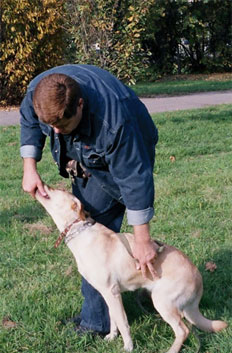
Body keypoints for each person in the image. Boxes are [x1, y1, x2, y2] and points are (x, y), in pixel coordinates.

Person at [20, 64, 159, 336]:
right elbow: (28, 121)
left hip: (130, 149)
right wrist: (30, 167)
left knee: (92, 237)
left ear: (80, 104)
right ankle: (121, 292)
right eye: (51, 126)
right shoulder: (37, 92)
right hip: (88, 150)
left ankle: (97, 323)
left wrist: (143, 240)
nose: (57, 133)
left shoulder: (115, 123)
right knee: (91, 228)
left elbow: (134, 179)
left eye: (63, 125)